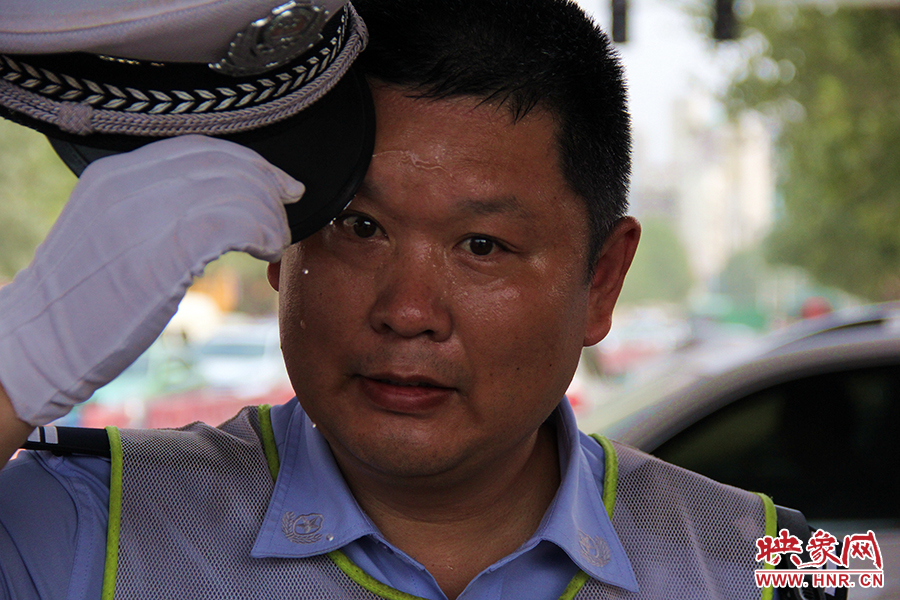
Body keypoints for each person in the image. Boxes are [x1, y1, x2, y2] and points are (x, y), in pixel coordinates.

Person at [0, 1, 821, 599]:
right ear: (281, 245)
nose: (408, 310)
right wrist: (17, 370)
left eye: (482, 246)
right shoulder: (81, 522)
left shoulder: (780, 559)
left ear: (601, 280)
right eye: (359, 227)